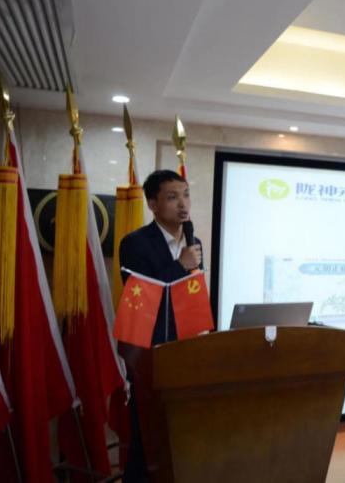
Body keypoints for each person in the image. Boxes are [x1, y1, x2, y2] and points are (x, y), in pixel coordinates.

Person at [118, 169, 203, 481]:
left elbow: (193, 296)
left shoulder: (194, 244)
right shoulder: (135, 244)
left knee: (180, 443)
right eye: (172, 197)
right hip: (148, 356)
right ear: (153, 204)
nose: (183, 204)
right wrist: (180, 266)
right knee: (146, 444)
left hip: (186, 353)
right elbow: (143, 298)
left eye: (186, 195)